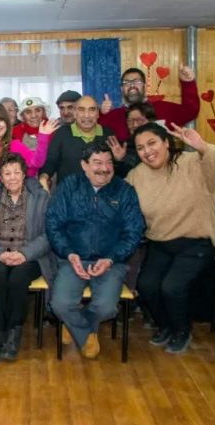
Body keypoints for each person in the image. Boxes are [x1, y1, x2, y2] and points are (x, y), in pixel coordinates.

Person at [127, 123, 215, 354]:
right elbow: (122, 203)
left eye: (152, 143)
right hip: (161, 241)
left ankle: (182, 330)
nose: (147, 151)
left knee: (172, 287)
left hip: (197, 240)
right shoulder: (137, 175)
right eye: (141, 147)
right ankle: (165, 326)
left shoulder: (193, 163)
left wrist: (202, 147)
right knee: (146, 285)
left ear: (166, 142)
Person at [46, 142, 145, 359]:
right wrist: (69, 253)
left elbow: (134, 231)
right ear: (84, 165)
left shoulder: (125, 190)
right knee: (59, 305)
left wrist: (111, 258)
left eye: (109, 162)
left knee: (107, 308)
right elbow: (53, 224)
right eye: (97, 163)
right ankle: (86, 331)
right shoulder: (69, 186)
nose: (104, 168)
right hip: (73, 258)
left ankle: (74, 325)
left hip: (111, 261)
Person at [0, 153, 55, 363]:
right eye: (7, 173)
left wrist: (24, 254)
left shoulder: (41, 197)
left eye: (16, 172)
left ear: (24, 174)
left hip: (30, 257)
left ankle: (13, 334)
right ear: (0, 177)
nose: (12, 177)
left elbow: (49, 234)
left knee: (17, 278)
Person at [0, 104, 55, 217]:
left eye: (0, 120)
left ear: (6, 123)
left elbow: (36, 162)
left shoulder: (15, 146)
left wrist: (43, 137)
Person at [99, 64, 199, 141]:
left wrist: (188, 83)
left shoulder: (163, 108)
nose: (132, 85)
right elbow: (94, 128)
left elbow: (191, 111)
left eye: (137, 82)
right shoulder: (113, 116)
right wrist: (102, 114)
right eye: (127, 83)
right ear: (122, 89)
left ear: (145, 86)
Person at [39, 96, 115, 190]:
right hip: (68, 196)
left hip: (102, 195)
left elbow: (113, 168)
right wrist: (44, 177)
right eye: (81, 110)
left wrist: (119, 160)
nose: (86, 115)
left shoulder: (108, 134)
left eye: (91, 110)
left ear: (98, 114)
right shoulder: (62, 133)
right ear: (75, 114)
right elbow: (50, 162)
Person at [109, 102, 158, 178]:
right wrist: (119, 161)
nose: (135, 125)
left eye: (139, 120)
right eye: (130, 121)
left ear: (151, 121)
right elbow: (120, 179)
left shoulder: (162, 144)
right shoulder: (123, 148)